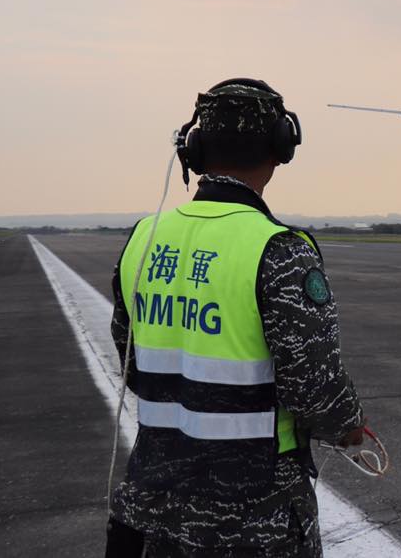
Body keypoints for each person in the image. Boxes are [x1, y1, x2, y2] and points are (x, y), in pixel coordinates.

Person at [105, 78, 365, 557]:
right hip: (252, 521)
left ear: (196, 149)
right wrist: (350, 425)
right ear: (280, 148)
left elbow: (129, 359)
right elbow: (314, 387)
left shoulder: (144, 238)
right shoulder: (279, 249)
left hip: (152, 510)